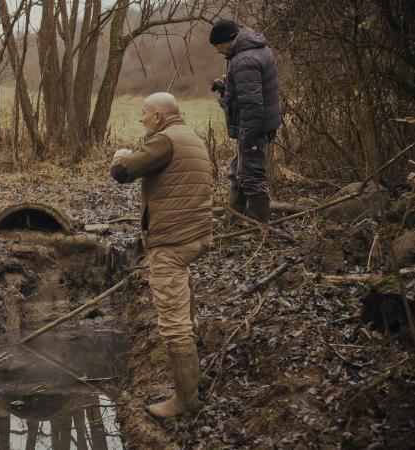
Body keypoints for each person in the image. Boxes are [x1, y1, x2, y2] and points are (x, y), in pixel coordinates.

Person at [111, 92, 213, 418]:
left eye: (143, 113)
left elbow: (123, 172)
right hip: (195, 238)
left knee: (173, 324)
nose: (140, 118)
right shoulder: (190, 137)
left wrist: (120, 155)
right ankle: (195, 378)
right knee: (186, 306)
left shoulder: (164, 141)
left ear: (158, 116)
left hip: (171, 243)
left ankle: (186, 402)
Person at [210, 19, 281, 223]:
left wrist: (248, 140)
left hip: (253, 129)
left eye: (217, 45)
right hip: (255, 126)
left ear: (229, 40)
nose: (216, 50)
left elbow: (252, 106)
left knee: (252, 176)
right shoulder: (251, 51)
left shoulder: (244, 60)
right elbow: (247, 94)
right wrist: (226, 87)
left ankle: (260, 228)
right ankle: (233, 219)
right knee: (239, 171)